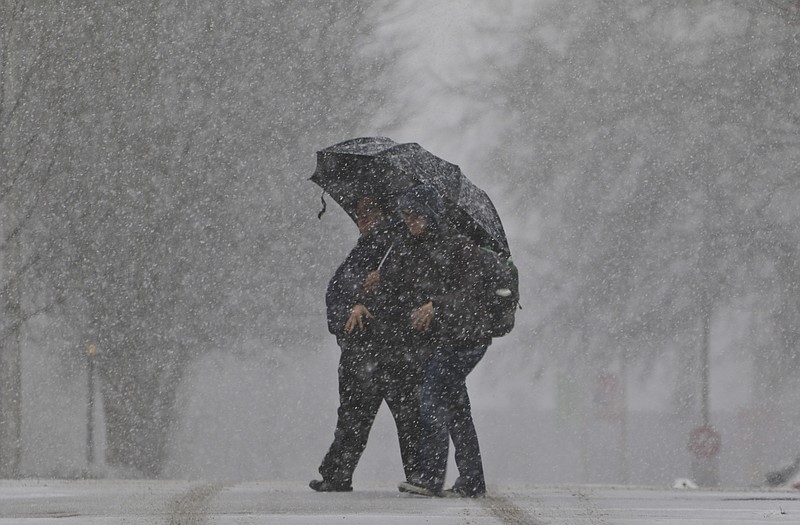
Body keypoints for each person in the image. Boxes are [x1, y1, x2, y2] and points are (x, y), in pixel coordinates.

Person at [375, 185, 492, 498]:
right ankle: (472, 481)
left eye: (414, 215)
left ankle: (430, 478)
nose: (409, 221)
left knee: (432, 399)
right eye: (405, 215)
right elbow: (411, 287)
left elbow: (470, 294)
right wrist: (382, 278)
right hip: (450, 339)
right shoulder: (421, 248)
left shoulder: (460, 246)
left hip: (467, 339)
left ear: (430, 215)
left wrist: (436, 305)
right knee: (457, 410)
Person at [310, 195, 423, 492]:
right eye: (359, 213)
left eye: (369, 211)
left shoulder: (401, 246)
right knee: (359, 415)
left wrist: (378, 290)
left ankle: (418, 476)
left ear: (384, 213)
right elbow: (338, 290)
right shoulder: (368, 248)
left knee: (402, 416)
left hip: (392, 349)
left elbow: (410, 296)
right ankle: (417, 475)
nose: (362, 219)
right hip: (368, 350)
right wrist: (351, 310)